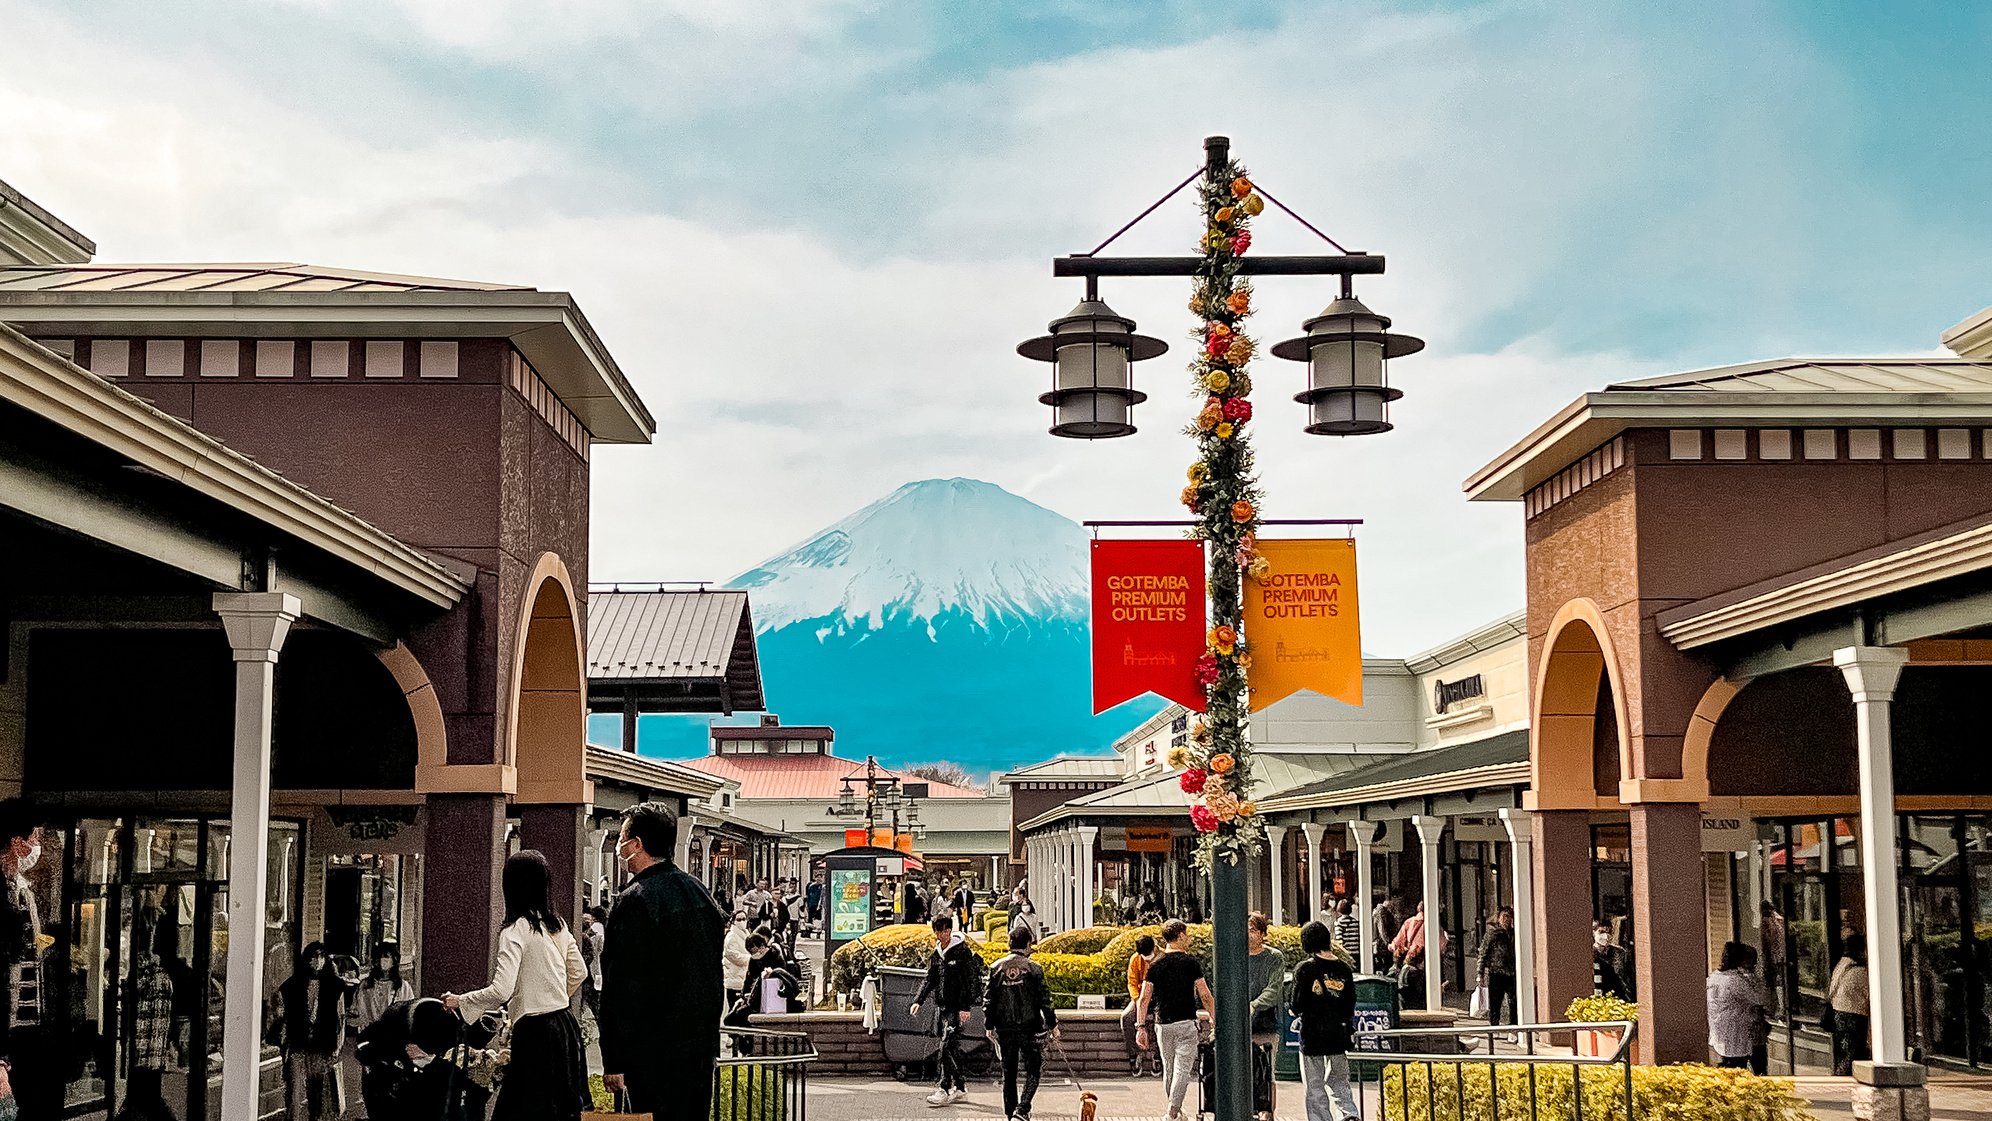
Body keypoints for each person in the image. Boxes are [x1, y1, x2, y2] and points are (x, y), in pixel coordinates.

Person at [600, 801, 727, 1117]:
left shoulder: (634, 900)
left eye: (622, 839)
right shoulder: (701, 895)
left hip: (651, 1054)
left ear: (637, 844)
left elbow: (620, 985)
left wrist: (614, 1059)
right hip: (698, 1051)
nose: (618, 847)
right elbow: (713, 977)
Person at [444, 850, 589, 1121]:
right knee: (561, 1111)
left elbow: (501, 990)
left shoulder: (514, 931)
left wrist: (461, 1001)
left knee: (521, 1110)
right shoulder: (556, 924)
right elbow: (579, 972)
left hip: (535, 1033)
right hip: (565, 1027)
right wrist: (552, 997)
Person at [1137, 919, 1216, 1121]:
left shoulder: (1155, 964)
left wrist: (1140, 1027)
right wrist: (1214, 1017)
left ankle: (1176, 1111)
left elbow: (1144, 998)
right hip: (1186, 1022)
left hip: (1162, 1023)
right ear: (1180, 936)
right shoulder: (1190, 963)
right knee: (1182, 1070)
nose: (1189, 938)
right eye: (1187, 934)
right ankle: (1172, 1112)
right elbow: (1205, 995)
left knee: (1169, 1068)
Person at [277, 941, 358, 1120]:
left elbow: (340, 1017)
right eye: (314, 957)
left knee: (317, 1093)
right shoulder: (293, 984)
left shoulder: (335, 985)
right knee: (294, 1093)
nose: (317, 961)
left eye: (321, 957)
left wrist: (338, 1045)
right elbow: (283, 1013)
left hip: (322, 1044)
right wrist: (284, 1040)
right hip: (298, 1042)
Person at [984, 923, 1056, 1121]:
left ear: (1009, 943)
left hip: (1005, 1028)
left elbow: (988, 1000)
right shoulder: (1034, 969)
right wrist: (1052, 1024)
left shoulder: (995, 968)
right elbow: (1045, 1000)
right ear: (1026, 944)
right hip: (1030, 1028)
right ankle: (1022, 1109)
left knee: (1009, 1073)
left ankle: (1011, 1114)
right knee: (1034, 1069)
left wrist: (989, 1026)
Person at [910, 914, 984, 1107]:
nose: (943, 934)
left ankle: (944, 1087)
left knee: (945, 1045)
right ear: (935, 932)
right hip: (942, 1007)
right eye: (939, 930)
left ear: (950, 930)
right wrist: (918, 1000)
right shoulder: (937, 955)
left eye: (946, 930)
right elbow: (930, 979)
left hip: (956, 1008)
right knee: (952, 1048)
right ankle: (960, 1087)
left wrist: (966, 1007)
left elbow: (972, 981)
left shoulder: (962, 953)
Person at [1291, 920, 1359, 1121]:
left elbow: (1296, 1004)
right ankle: (1349, 1114)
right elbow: (1349, 1004)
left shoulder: (1304, 969)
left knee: (1315, 1085)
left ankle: (1321, 1119)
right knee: (1340, 1081)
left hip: (1313, 1035)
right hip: (1339, 1034)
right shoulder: (1344, 969)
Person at [1246, 912, 1287, 1121]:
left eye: (1253, 930)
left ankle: (1267, 1113)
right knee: (1244, 1074)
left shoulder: (1273, 957)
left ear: (1263, 934)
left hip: (1266, 1026)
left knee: (1266, 1073)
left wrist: (1254, 1005)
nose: (1248, 934)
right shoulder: (1237, 957)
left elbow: (1274, 990)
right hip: (1241, 1028)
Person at [1707, 941, 1765, 1071]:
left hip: (1719, 1032)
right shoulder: (1735, 981)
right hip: (1736, 1033)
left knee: (1729, 1066)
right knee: (1738, 1068)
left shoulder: (1714, 977)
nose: (1754, 964)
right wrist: (1752, 978)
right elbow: (1759, 999)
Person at [1827, 934, 1870, 1077]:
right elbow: (1868, 994)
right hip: (1855, 1013)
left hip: (1838, 1010)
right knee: (1853, 1051)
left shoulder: (1841, 965)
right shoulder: (1860, 969)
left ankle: (1842, 1074)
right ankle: (1843, 1076)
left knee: (1844, 1049)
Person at [1391, 901, 1443, 1010]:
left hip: (1410, 963)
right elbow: (1441, 946)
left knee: (1407, 993)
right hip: (1426, 966)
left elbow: (1396, 943)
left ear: (1418, 909)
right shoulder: (1433, 924)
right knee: (1425, 994)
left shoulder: (1409, 922)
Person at [1122, 934, 1160, 1075]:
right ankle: (1134, 1055)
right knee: (1126, 1017)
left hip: (1158, 999)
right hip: (1139, 998)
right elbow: (1132, 982)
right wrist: (1137, 1000)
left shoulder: (1162, 958)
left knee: (1160, 1019)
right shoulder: (1135, 959)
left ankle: (1157, 1056)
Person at [1476, 907, 1518, 1025]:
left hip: (1511, 973)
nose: (1507, 920)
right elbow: (1483, 953)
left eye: (1509, 917)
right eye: (1505, 916)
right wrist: (1480, 973)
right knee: (1495, 1002)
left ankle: (1513, 1028)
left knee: (1513, 1001)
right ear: (1499, 918)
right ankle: (1495, 1026)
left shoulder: (1514, 934)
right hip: (1496, 973)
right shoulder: (1493, 933)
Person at [1758, 901, 1788, 1019]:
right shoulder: (1780, 920)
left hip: (1773, 956)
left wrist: (1766, 956)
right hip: (1782, 955)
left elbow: (1766, 941)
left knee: (1773, 982)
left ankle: (1776, 1008)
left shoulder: (1766, 922)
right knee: (1780, 981)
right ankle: (1782, 1007)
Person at [1593, 921, 1633, 1001]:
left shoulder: (1620, 952)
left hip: (1618, 995)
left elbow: (1626, 976)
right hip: (1598, 996)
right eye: (1601, 932)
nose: (1605, 936)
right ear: (1594, 932)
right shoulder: (1591, 953)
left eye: (1609, 932)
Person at [722, 910, 752, 1009]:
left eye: (744, 919)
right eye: (739, 919)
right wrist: (750, 959)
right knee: (734, 1008)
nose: (742, 921)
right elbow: (732, 955)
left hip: (743, 976)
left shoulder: (747, 933)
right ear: (734, 921)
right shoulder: (731, 936)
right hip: (734, 978)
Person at [1372, 897, 1403, 973]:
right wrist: (1388, 942)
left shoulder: (1380, 912)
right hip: (1383, 945)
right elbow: (1382, 929)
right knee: (1385, 965)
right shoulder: (1382, 913)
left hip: (1381, 943)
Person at [1332, 899, 1362, 963]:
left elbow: (1339, 940)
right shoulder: (1355, 922)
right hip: (1357, 953)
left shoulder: (1339, 922)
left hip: (1346, 954)